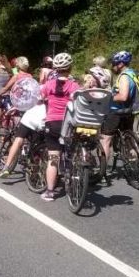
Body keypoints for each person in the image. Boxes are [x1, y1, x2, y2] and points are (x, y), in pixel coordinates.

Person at [38, 53, 81, 201]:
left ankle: (50, 192)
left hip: (53, 122)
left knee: (53, 158)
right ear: (70, 68)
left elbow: (40, 98)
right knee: (70, 152)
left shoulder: (49, 85)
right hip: (68, 123)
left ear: (55, 69)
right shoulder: (75, 86)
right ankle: (72, 176)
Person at [100, 51, 139, 163]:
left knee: (106, 139)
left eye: (114, 63)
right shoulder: (133, 74)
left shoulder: (124, 76)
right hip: (128, 110)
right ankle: (135, 164)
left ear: (121, 64)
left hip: (116, 111)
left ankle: (102, 170)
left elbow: (123, 96)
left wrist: (109, 97)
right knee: (128, 138)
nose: (113, 66)